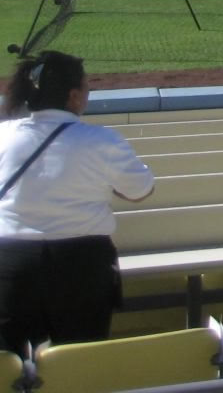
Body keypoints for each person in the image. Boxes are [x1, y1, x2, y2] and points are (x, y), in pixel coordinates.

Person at [0, 51, 154, 355]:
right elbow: (140, 190)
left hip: (10, 264)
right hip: (81, 266)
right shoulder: (101, 140)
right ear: (73, 96)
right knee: (81, 362)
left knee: (7, 367)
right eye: (86, 88)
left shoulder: (3, 134)